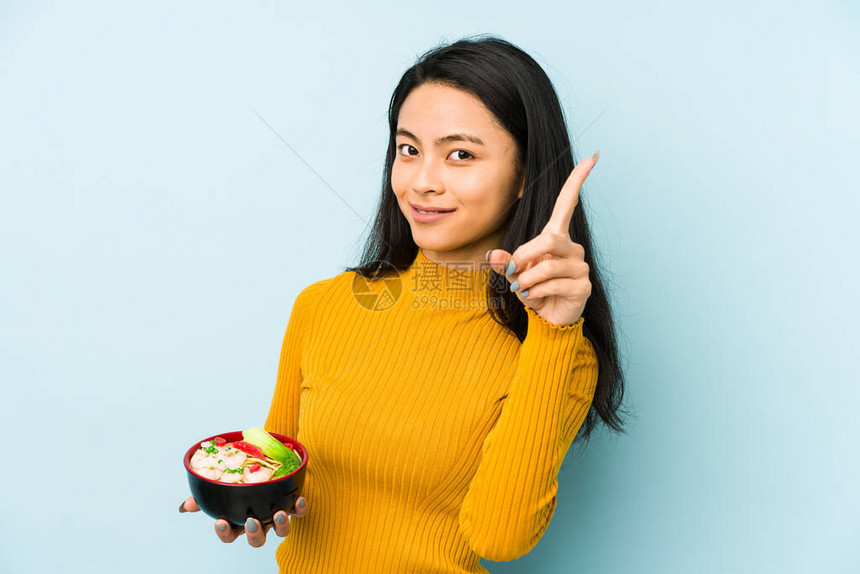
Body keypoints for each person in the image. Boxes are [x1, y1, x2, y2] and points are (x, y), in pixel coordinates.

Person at [181, 33, 627, 572]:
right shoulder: (322, 307)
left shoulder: (559, 355)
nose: (422, 182)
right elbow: (281, 472)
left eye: (460, 154)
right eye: (408, 149)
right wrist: (243, 498)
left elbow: (500, 538)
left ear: (524, 178)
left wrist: (553, 332)